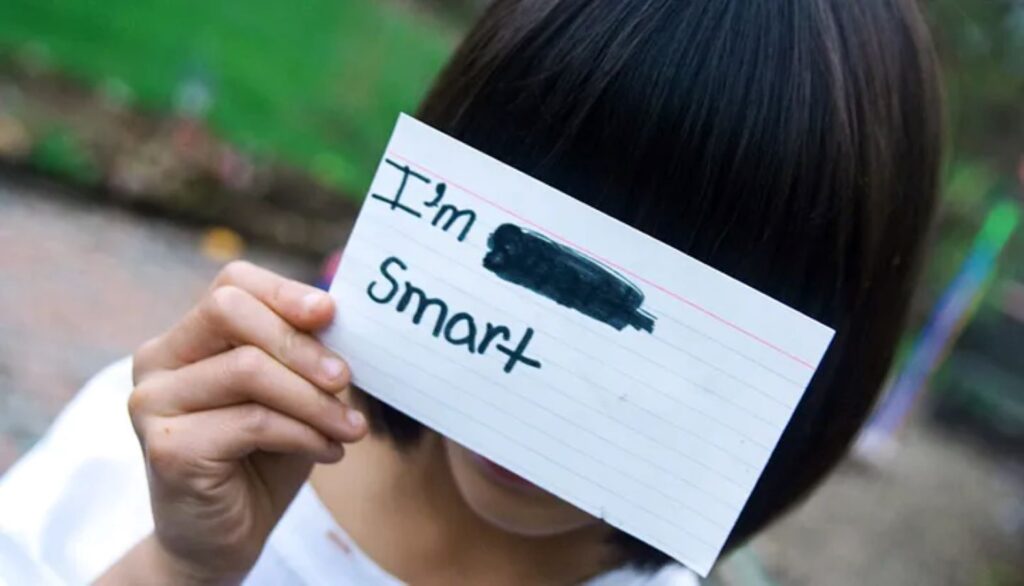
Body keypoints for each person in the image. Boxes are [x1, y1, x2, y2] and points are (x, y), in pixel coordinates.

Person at [0, 0, 943, 583]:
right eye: (533, 246)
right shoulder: (156, 459)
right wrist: (179, 570)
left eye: (668, 317)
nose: (560, 365)